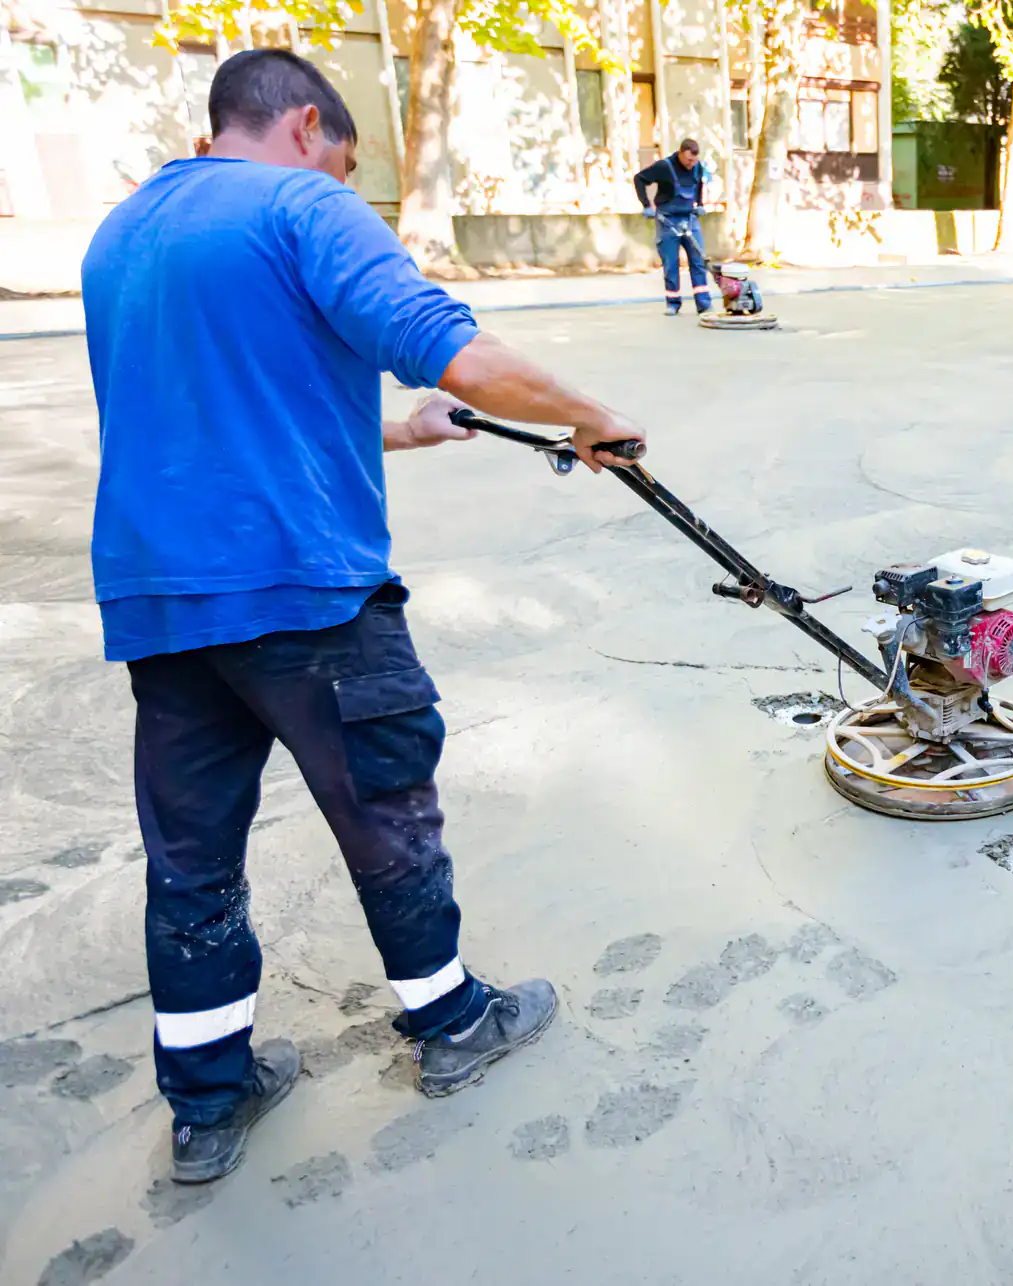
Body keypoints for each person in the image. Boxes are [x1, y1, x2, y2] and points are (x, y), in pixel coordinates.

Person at [80, 49, 647, 1185]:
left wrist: (404, 429)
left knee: (191, 858)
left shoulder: (121, 235)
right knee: (388, 809)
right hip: (305, 594)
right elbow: (453, 344)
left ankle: (207, 1099)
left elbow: (231, 409)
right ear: (305, 128)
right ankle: (452, 1024)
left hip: (162, 598)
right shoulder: (303, 204)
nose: (344, 180)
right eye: (344, 160)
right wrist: (592, 417)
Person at [634, 138, 713, 316]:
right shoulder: (664, 167)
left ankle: (704, 304)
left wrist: (699, 203)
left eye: (694, 160)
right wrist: (646, 205)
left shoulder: (698, 167)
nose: (691, 164)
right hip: (668, 220)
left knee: (698, 261)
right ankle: (673, 303)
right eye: (688, 160)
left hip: (689, 219)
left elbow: (699, 184)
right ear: (680, 153)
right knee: (671, 263)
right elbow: (639, 179)